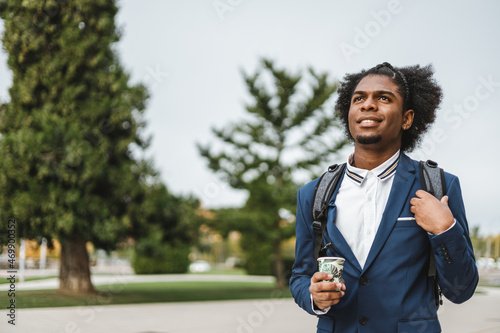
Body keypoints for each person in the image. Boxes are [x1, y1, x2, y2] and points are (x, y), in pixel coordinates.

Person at [290, 62, 478, 333]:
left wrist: (445, 230)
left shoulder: (439, 186)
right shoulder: (313, 194)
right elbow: (300, 275)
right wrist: (314, 297)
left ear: (407, 118)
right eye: (359, 99)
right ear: (349, 114)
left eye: (383, 98)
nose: (368, 105)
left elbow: (462, 290)